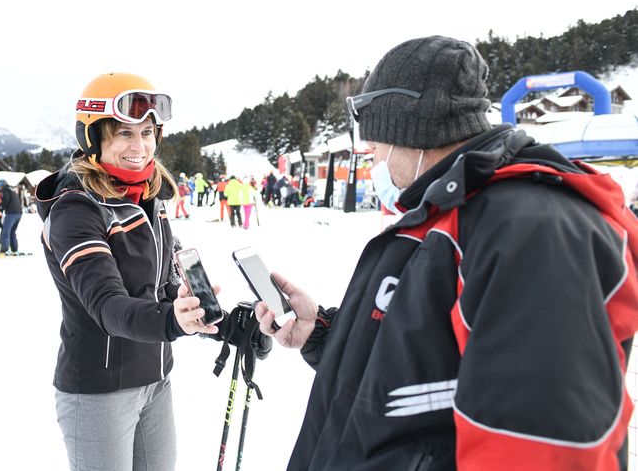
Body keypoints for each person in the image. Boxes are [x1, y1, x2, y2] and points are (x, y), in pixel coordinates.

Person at [255, 36, 638, 470]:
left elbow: (540, 445)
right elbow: (424, 368)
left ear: (410, 133)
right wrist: (322, 333)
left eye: (377, 147)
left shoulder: (530, 230)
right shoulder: (445, 213)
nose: (374, 160)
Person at [35, 73, 219, 471]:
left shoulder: (149, 202)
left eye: (148, 132)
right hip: (98, 394)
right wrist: (173, 320)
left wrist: (220, 320)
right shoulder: (76, 210)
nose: (140, 146)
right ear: (95, 137)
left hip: (155, 381)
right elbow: (108, 306)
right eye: (124, 133)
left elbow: (168, 288)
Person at [0, 179, 23, 257]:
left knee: (5, 232)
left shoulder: (5, 190)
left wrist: (0, 209)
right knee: (12, 232)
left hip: (11, 213)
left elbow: (6, 200)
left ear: (1, 185)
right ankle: (14, 249)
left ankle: (4, 250)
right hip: (19, 213)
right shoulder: (11, 189)